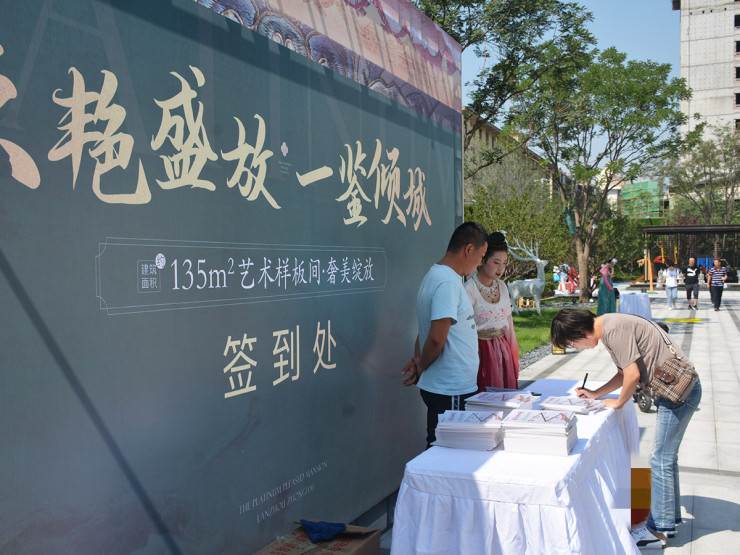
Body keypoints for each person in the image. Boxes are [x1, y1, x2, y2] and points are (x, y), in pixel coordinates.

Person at [550, 309, 701, 549]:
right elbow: (623, 373)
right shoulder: (609, 326)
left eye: (572, 342)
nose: (575, 346)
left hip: (679, 392)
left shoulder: (613, 329)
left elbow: (633, 374)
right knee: (666, 459)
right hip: (675, 388)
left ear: (580, 331)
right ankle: (667, 522)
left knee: (660, 460)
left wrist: (619, 402)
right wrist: (596, 394)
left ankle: (656, 530)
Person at [402, 222, 489, 448]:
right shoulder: (447, 282)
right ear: (468, 249)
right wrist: (421, 364)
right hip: (450, 389)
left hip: (451, 387)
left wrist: (419, 359)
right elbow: (436, 338)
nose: (481, 263)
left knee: (442, 447)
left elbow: (427, 332)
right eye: (481, 256)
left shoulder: (438, 276)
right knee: (445, 450)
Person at [463, 232, 520, 392]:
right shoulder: (470, 289)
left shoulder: (502, 286)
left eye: (504, 263)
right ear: (482, 260)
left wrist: (512, 354)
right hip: (480, 351)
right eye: (496, 262)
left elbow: (509, 326)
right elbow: (464, 328)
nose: (501, 268)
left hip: (503, 350)